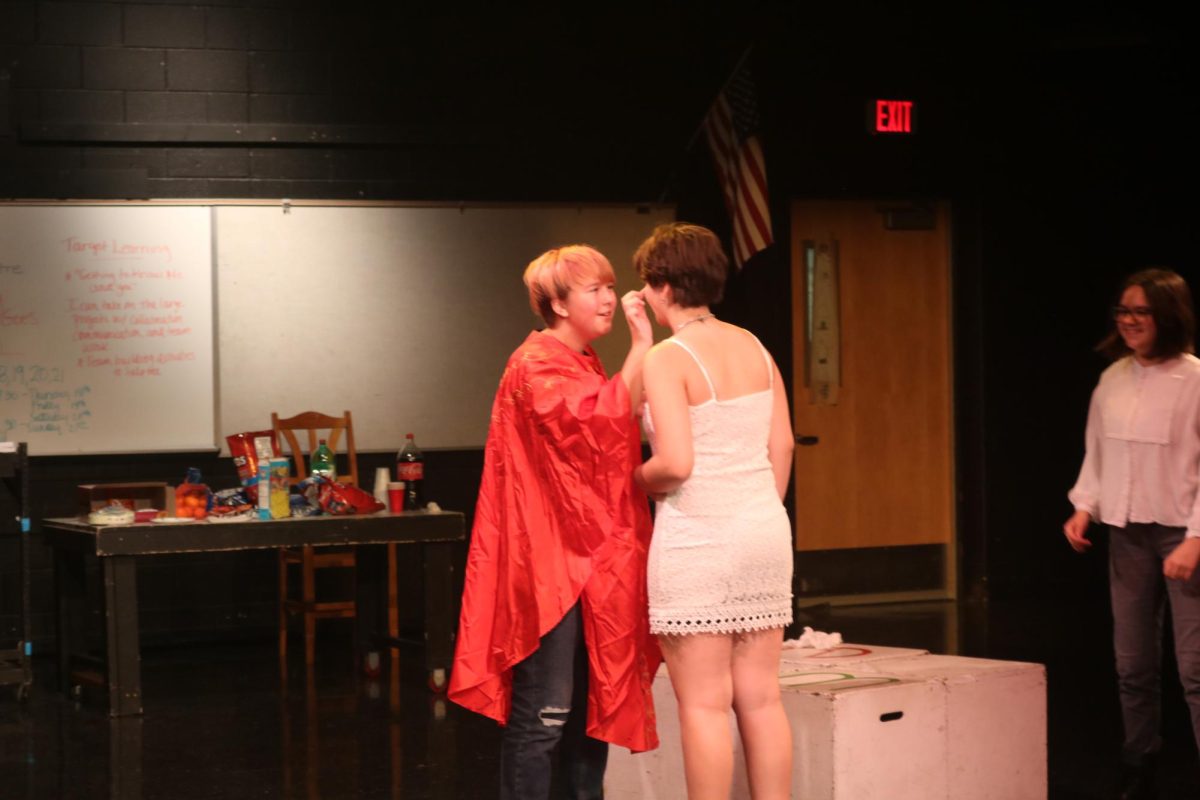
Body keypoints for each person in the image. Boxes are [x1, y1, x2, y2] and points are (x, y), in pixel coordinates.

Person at [448, 244, 661, 800]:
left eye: (611, 286)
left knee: (591, 710)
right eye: (596, 289)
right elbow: (600, 420)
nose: (611, 299)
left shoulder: (580, 359)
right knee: (545, 714)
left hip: (586, 557)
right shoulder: (536, 362)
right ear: (560, 304)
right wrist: (642, 346)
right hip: (549, 565)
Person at [631, 222, 795, 800]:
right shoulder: (755, 345)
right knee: (763, 698)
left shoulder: (667, 356)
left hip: (698, 540)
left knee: (703, 707)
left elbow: (673, 463)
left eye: (647, 285)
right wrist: (754, 508)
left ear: (665, 287)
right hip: (764, 532)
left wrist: (631, 480)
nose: (646, 296)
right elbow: (783, 447)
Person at [1064, 267, 1200, 800]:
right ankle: (1138, 762)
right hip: (1128, 536)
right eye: (1123, 311)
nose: (1128, 321)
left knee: (1194, 668)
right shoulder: (1113, 379)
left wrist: (1195, 538)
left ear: (1167, 315)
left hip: (1183, 534)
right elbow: (1098, 453)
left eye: (1140, 311)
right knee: (1132, 663)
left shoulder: (1194, 380)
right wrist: (1085, 507)